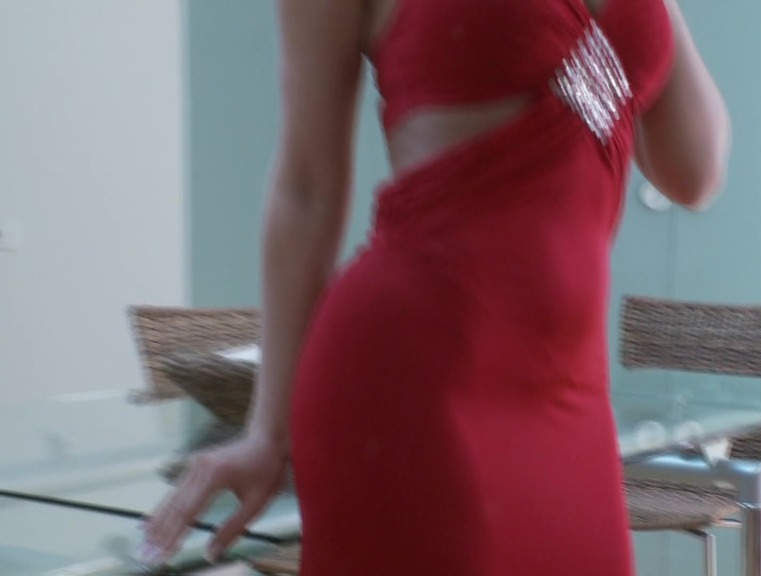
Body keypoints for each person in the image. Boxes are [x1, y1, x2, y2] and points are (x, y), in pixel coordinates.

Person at [139, 0, 730, 573]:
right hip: (418, 382)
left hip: (572, 399)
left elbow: (695, 169)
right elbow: (307, 188)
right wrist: (268, 431)